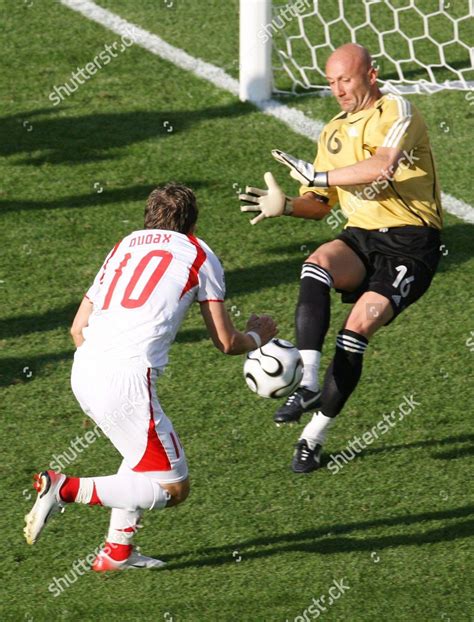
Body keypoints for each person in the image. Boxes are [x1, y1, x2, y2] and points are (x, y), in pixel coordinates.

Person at [24, 183, 277, 570]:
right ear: (191, 223)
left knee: (138, 458)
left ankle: (116, 553)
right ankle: (65, 488)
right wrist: (259, 335)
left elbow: (78, 328)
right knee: (173, 488)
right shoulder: (198, 253)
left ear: (147, 216)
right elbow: (226, 342)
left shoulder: (124, 245)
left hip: (85, 369)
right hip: (125, 381)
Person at [240, 43, 442, 473]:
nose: (338, 90)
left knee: (356, 331)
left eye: (345, 80)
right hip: (362, 236)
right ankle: (309, 380)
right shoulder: (331, 130)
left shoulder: (395, 110)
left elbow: (381, 168)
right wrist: (288, 205)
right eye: (331, 82)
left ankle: (313, 437)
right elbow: (321, 202)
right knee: (317, 264)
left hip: (412, 244)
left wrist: (318, 175)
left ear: (371, 74)